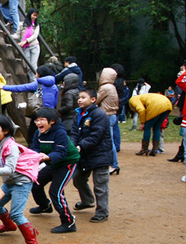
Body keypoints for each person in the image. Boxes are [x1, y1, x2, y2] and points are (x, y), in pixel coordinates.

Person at [0, 115, 46, 244]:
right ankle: (9, 226)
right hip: (9, 183)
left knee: (16, 214)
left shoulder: (11, 147)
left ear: (6, 130)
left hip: (21, 183)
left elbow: (9, 169)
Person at [28, 107, 80, 234]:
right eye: (37, 120)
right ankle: (45, 206)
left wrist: (47, 157)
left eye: (42, 120)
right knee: (35, 183)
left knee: (55, 192)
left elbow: (61, 152)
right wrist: (35, 156)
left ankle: (68, 222)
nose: (38, 123)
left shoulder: (60, 133)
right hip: (51, 162)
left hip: (67, 163)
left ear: (52, 121)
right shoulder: (38, 133)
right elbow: (34, 147)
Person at [70, 89, 113, 223]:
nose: (79, 100)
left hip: (100, 155)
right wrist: (72, 146)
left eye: (83, 97)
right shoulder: (78, 114)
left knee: (100, 185)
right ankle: (87, 200)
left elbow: (95, 136)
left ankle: (102, 212)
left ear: (93, 100)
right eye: (79, 97)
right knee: (78, 178)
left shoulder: (99, 115)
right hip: (84, 155)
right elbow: (74, 133)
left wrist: (80, 146)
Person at [0, 64, 59, 145]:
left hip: (40, 112)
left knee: (32, 135)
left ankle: (34, 151)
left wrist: (4, 87)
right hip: (51, 113)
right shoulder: (54, 86)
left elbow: (21, 88)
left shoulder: (38, 84)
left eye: (36, 73)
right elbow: (55, 101)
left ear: (39, 74)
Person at [96, 67, 120, 174]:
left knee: (108, 142)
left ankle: (114, 164)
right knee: (111, 140)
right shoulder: (112, 87)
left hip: (106, 116)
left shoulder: (105, 87)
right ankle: (112, 163)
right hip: (112, 115)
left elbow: (95, 100)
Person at [17, 8, 41, 80]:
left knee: (33, 66)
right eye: (34, 15)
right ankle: (33, 83)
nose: (35, 17)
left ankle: (36, 83)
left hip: (34, 46)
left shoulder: (36, 25)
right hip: (25, 48)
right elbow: (17, 35)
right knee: (28, 67)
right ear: (30, 14)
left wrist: (25, 41)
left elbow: (35, 36)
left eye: (36, 16)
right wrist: (8, 34)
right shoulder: (22, 24)